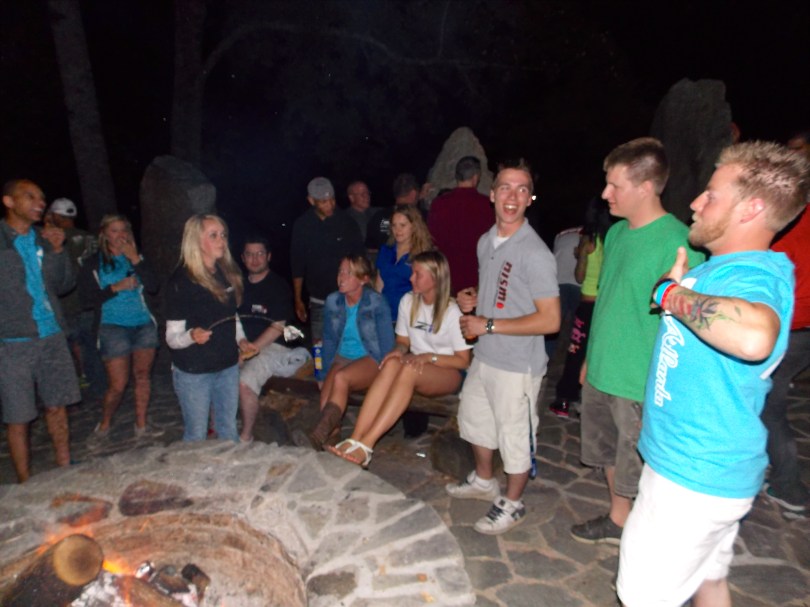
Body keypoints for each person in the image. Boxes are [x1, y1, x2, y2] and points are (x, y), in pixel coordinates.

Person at [617, 141, 809, 607]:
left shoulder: (753, 276)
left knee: (640, 598)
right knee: (710, 583)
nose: (695, 202)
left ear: (752, 208)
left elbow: (754, 336)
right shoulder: (719, 270)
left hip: (691, 480)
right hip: (708, 472)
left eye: (711, 195)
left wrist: (667, 293)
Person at [570, 138, 704, 545]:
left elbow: (689, 330)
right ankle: (618, 518)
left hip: (639, 381)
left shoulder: (680, 243)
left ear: (646, 187)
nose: (605, 193)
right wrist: (589, 358)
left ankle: (649, 541)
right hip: (602, 370)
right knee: (606, 453)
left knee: (641, 466)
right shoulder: (615, 234)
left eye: (615, 185)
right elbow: (608, 300)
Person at [445, 163, 560, 535]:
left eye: (522, 189)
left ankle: (513, 502)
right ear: (492, 194)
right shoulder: (486, 241)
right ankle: (484, 481)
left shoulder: (535, 252)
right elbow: (501, 292)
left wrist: (488, 324)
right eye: (505, 188)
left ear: (530, 199)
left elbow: (551, 320)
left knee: (514, 437)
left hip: (517, 364)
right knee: (475, 421)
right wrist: (473, 300)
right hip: (486, 355)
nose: (513, 196)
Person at [327, 250, 471, 467]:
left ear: (435, 278)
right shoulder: (408, 301)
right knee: (392, 363)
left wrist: (428, 357)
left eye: (417, 274)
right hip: (418, 365)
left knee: (409, 369)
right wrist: (398, 350)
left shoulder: (452, 311)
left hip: (448, 371)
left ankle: (367, 444)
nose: (411, 278)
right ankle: (355, 438)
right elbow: (403, 341)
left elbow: (463, 361)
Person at [0, 179, 79, 482]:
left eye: (42, 197)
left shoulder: (44, 240)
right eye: (30, 196)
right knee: (18, 416)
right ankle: (25, 482)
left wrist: (57, 251)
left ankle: (65, 468)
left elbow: (64, 285)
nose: (40, 202)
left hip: (51, 334)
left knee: (57, 406)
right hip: (12, 342)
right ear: (9, 202)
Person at [165, 214, 253, 442]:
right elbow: (172, 337)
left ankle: (229, 466)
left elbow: (232, 315)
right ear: (195, 240)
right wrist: (191, 336)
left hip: (227, 366)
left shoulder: (226, 273)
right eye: (213, 235)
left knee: (228, 430)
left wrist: (241, 340)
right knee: (196, 435)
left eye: (223, 235)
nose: (221, 241)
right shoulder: (181, 281)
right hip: (194, 371)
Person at [80, 215, 162, 446]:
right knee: (118, 384)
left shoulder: (136, 258)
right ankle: (105, 423)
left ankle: (141, 425)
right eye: (114, 230)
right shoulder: (93, 263)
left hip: (143, 324)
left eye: (124, 229)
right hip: (112, 326)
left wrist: (136, 259)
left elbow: (154, 286)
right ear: (104, 234)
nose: (120, 235)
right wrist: (114, 288)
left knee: (142, 376)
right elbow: (85, 300)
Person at [301, 254, 394, 450]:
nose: (341, 277)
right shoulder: (333, 301)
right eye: (340, 272)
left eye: (349, 273)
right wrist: (323, 374)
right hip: (342, 357)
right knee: (326, 396)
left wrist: (387, 374)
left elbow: (387, 343)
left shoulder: (376, 302)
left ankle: (317, 435)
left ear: (363, 279)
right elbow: (329, 339)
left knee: (341, 378)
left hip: (371, 358)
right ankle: (331, 438)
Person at [760, 190, 810, 517]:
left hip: (789, 329)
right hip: (802, 331)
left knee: (769, 406)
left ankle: (789, 486)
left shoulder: (787, 223)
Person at [237, 236, 309, 442]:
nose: (255, 259)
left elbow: (278, 327)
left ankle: (246, 436)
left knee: (245, 381)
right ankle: (220, 428)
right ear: (243, 258)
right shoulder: (239, 285)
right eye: (250, 254)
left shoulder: (277, 286)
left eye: (260, 254)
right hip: (244, 345)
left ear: (268, 256)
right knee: (216, 371)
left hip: (274, 347)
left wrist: (248, 352)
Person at [549, 197, 613, 418]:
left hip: (587, 304)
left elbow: (579, 276)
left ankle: (564, 399)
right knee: (595, 353)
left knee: (576, 352)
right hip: (605, 306)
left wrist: (580, 256)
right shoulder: (615, 239)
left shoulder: (589, 241)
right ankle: (589, 402)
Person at [290, 177, 364, 345]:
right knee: (320, 348)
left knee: (349, 346)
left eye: (332, 199)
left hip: (347, 299)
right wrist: (298, 299)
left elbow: (360, 260)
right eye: (323, 202)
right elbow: (297, 264)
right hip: (318, 301)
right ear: (311, 201)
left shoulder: (347, 223)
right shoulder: (302, 225)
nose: (330, 205)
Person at [45, 197, 97, 389]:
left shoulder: (52, 239)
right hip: (88, 300)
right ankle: (94, 380)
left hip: (66, 303)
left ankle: (80, 377)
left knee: (71, 343)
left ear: (56, 216)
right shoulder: (89, 238)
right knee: (89, 343)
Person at [427, 156, 493, 294]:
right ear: (476, 177)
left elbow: (432, 240)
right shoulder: (487, 205)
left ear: (457, 176)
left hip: (446, 279)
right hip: (477, 282)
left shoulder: (439, 204)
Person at [375, 204, 432, 322]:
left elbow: (428, 291)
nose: (398, 230)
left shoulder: (422, 255)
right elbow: (379, 285)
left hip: (410, 316)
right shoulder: (386, 250)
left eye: (403, 225)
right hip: (385, 316)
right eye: (394, 225)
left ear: (414, 226)